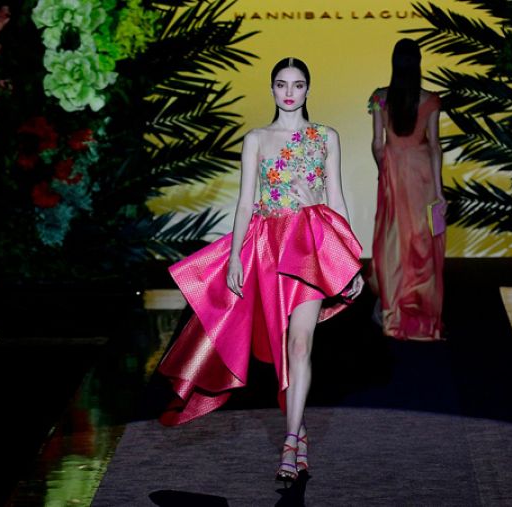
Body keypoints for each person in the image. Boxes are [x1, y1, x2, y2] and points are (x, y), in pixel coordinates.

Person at [157, 57, 364, 483]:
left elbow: (337, 200)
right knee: (277, 348)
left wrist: (349, 260)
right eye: (281, 84)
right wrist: (235, 256)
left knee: (301, 345)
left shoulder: (326, 137)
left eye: (298, 84)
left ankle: (289, 443)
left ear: (308, 89)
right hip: (268, 249)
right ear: (271, 89)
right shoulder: (256, 139)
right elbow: (244, 203)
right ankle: (298, 431)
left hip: (311, 247)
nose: (289, 92)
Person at [367, 38, 445, 341]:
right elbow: (435, 145)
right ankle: (420, 308)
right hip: (422, 173)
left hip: (394, 169)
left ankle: (393, 306)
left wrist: (384, 172)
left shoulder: (379, 97)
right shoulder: (431, 100)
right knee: (421, 239)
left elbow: (377, 144)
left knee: (393, 239)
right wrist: (439, 190)